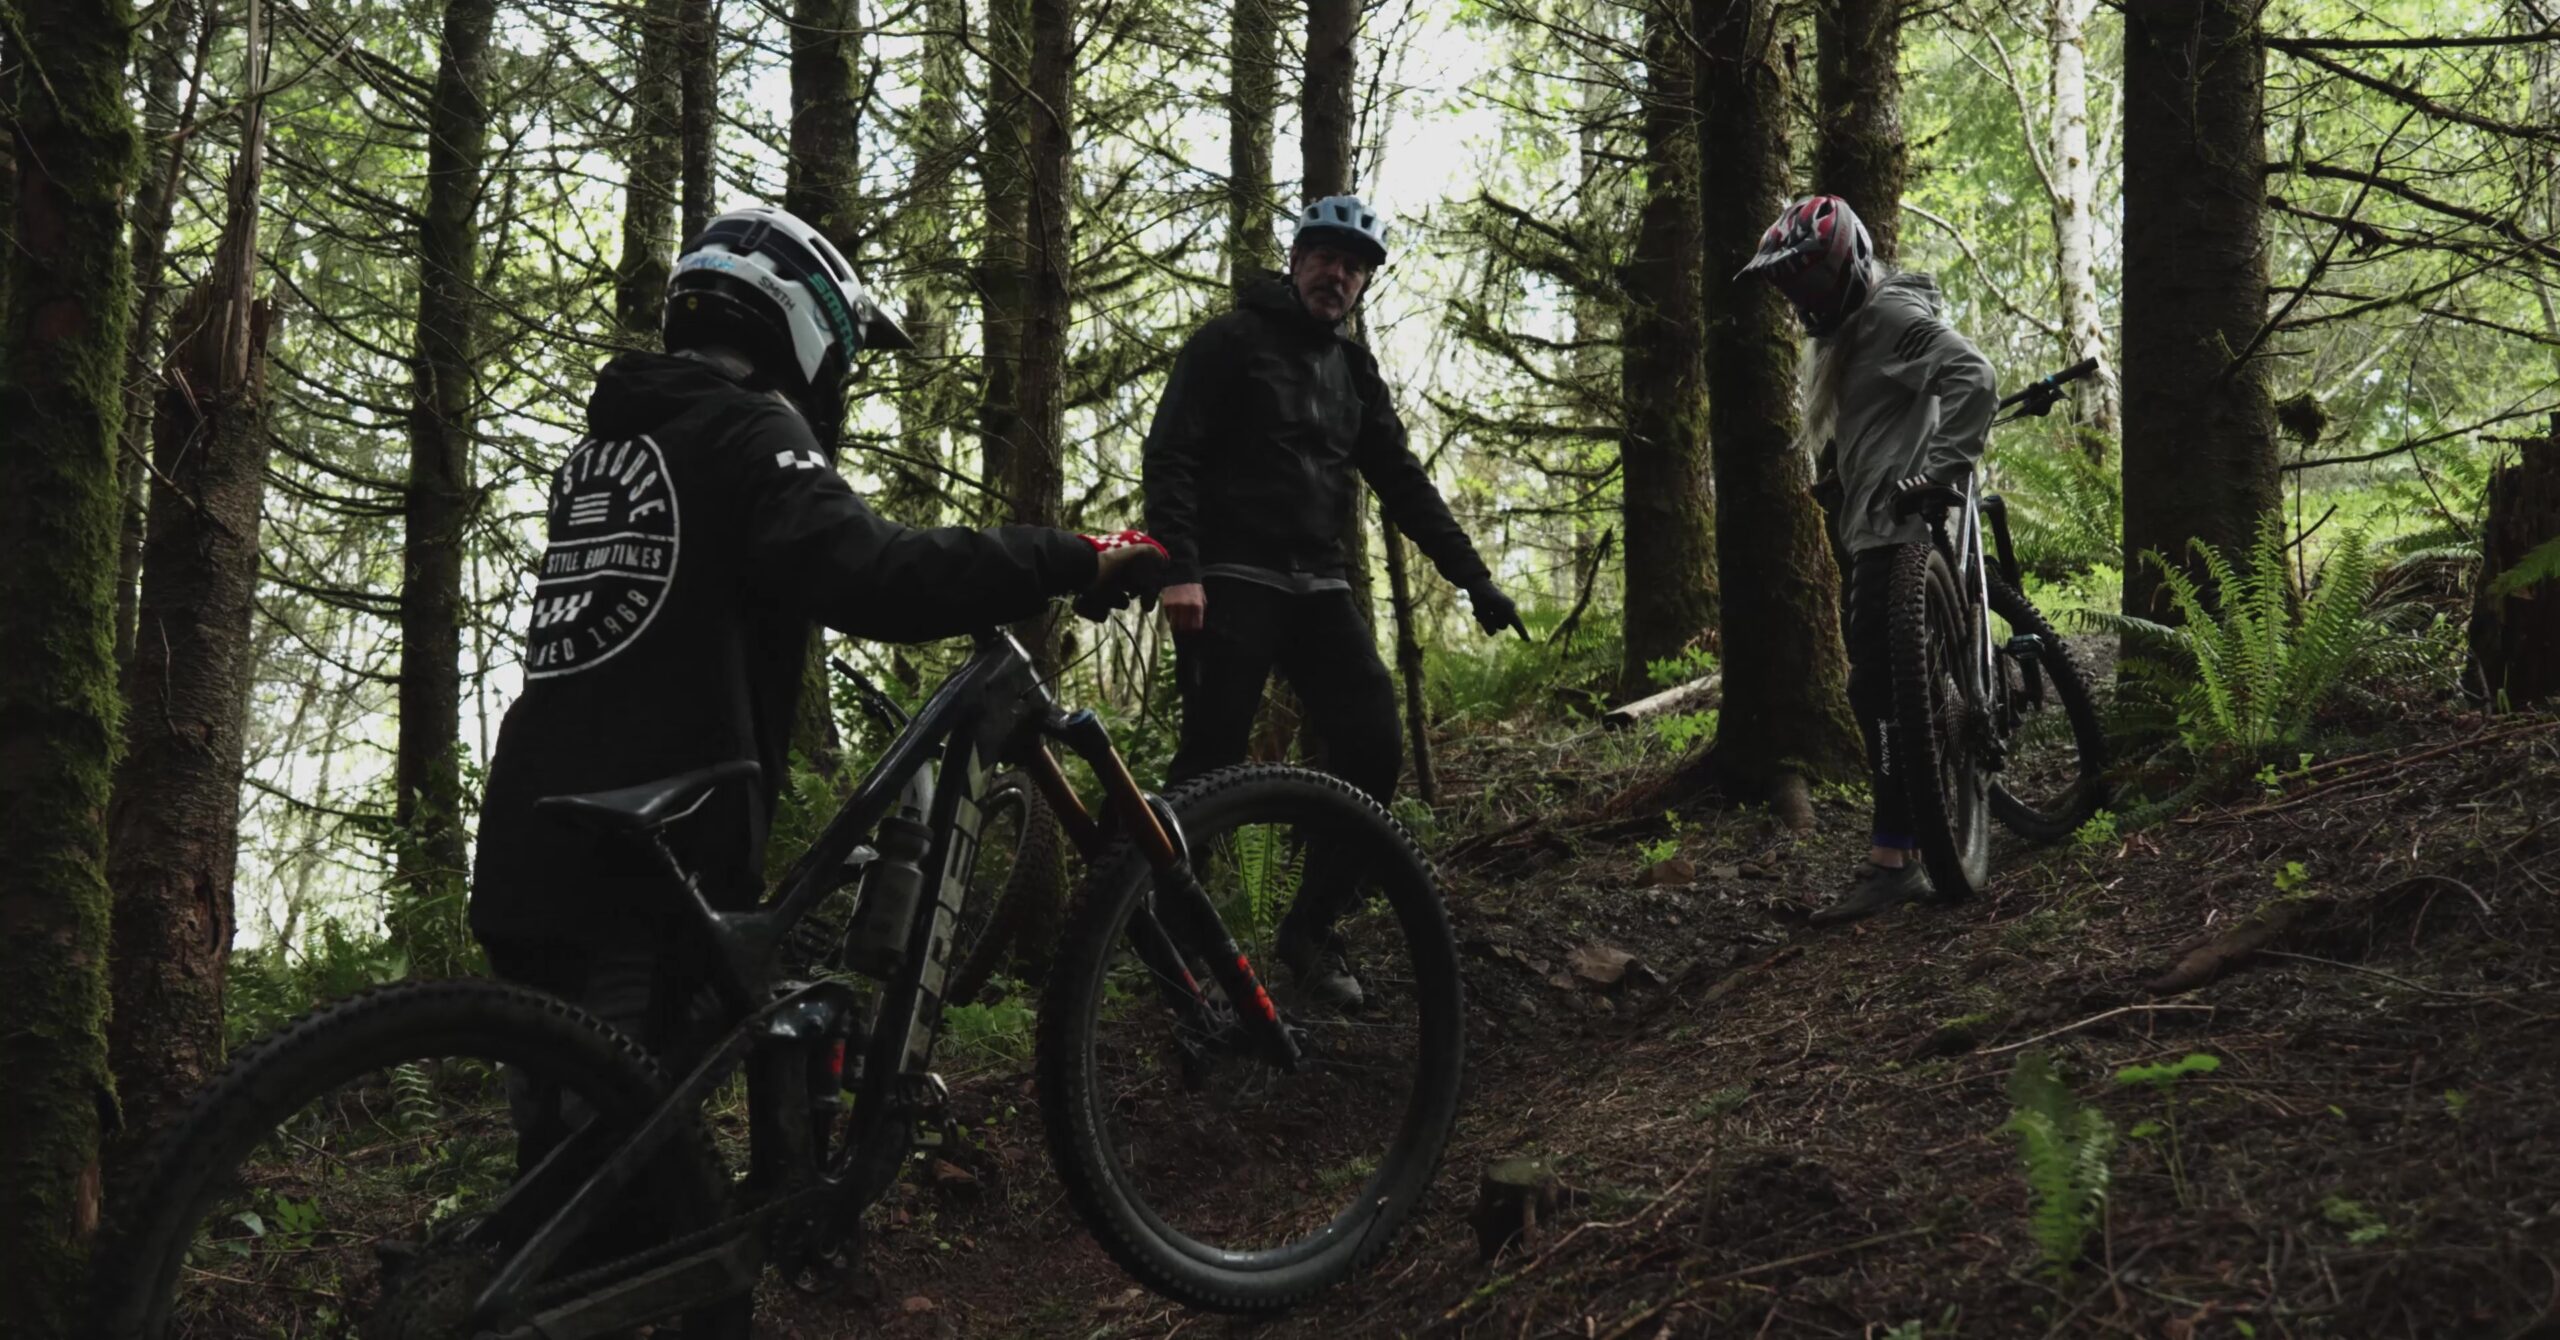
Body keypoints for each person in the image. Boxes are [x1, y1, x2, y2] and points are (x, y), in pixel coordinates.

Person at [469, 204, 1162, 1070]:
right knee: (634, 1135)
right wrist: (1068, 556)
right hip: (651, 864)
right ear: (801, 322)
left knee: (571, 1126)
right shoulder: (749, 426)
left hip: (535, 834)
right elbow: (872, 573)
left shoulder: (610, 447)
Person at [1141, 194, 1522, 1004]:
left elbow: (1403, 483)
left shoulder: (1354, 372)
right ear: (1296, 260)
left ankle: (1311, 927)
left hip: (1318, 586)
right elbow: (1171, 455)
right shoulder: (1228, 341)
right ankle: (1173, 943)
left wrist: (1473, 578)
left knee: (1373, 745)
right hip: (1231, 581)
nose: (1338, 276)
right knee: (1209, 762)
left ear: (1364, 283)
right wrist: (1179, 569)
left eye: (1354, 267)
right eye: (1325, 258)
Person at [1736, 195, 1998, 926]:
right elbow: (1884, 413)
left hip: (1897, 528)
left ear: (1850, 268)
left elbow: (1973, 376)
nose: (1804, 302)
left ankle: (1894, 859)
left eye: (1813, 283)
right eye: (1794, 289)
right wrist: (1840, 477)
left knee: (1876, 687)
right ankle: (1909, 840)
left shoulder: (1887, 315)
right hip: (1878, 524)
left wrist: (1942, 470)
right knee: (1886, 687)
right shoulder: (1853, 328)